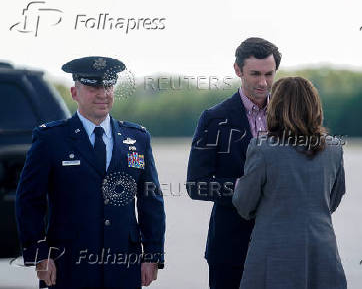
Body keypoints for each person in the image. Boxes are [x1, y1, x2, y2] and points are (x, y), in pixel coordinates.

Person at [15, 56, 165, 289]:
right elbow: (29, 201)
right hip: (68, 265)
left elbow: (150, 200)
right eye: (93, 87)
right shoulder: (51, 139)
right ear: (75, 92)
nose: (102, 94)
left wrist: (153, 254)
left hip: (123, 263)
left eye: (107, 86)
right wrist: (39, 255)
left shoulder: (137, 138)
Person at [232, 76, 347, 289]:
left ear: (275, 107)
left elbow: (244, 204)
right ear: (315, 106)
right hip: (322, 252)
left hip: (274, 254)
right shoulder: (334, 148)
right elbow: (333, 199)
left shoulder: (262, 147)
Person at [186, 38, 281, 289]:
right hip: (230, 250)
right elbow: (196, 185)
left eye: (269, 74)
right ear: (238, 70)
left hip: (283, 248)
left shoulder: (289, 117)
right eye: (255, 74)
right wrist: (246, 188)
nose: (263, 82)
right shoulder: (213, 119)